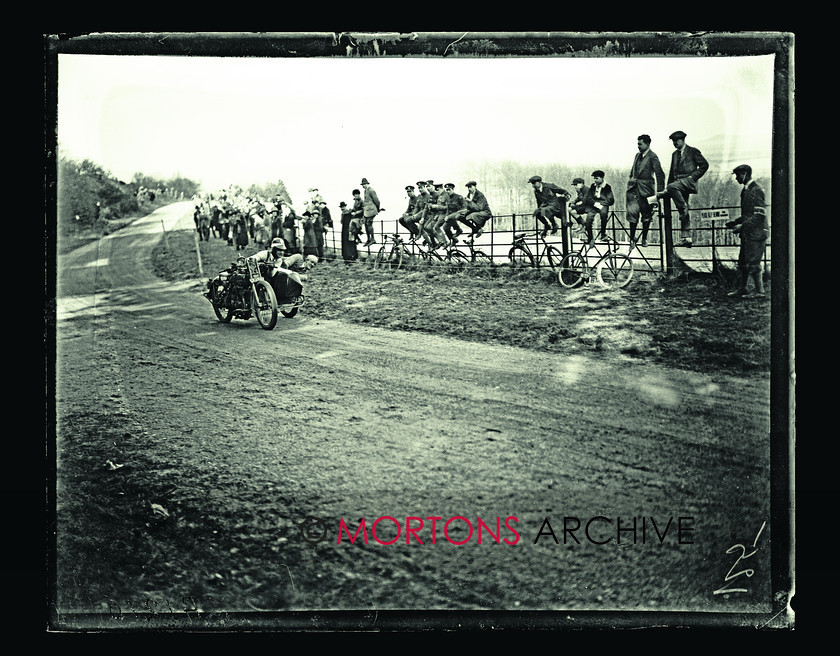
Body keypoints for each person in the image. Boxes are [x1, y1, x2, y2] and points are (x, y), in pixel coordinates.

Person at [656, 130, 709, 248]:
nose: (674, 143)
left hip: (688, 182)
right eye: (673, 141)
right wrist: (668, 187)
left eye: (676, 141)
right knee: (682, 209)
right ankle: (686, 238)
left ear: (683, 140)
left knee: (681, 204)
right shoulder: (674, 154)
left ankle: (683, 207)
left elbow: (704, 165)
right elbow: (671, 172)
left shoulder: (693, 151)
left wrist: (693, 177)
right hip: (677, 185)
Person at [725, 164, 768, 298]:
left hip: (756, 234)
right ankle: (743, 288)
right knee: (743, 262)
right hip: (748, 234)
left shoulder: (756, 190)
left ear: (744, 174)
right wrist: (736, 222)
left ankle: (760, 292)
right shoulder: (746, 190)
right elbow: (748, 214)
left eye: (738, 175)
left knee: (753, 263)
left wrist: (742, 226)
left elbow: (759, 215)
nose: (736, 178)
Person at [626, 134, 666, 247]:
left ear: (647, 144)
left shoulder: (653, 156)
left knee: (646, 215)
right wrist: (631, 180)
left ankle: (644, 238)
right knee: (632, 214)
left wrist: (659, 193)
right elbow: (632, 171)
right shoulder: (637, 156)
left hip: (647, 191)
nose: (638, 146)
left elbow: (660, 174)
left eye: (640, 144)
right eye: (637, 144)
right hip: (633, 190)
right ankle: (632, 239)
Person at [252, 237, 314, 302]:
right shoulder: (265, 254)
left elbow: (272, 274)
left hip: (268, 278)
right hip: (258, 276)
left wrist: (272, 268)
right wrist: (261, 264)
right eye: (279, 250)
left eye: (283, 250)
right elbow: (253, 259)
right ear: (274, 249)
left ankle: (282, 298)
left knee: (282, 275)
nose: (281, 253)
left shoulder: (279, 260)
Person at [583, 170, 616, 244]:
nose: (595, 180)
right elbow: (588, 197)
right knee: (588, 218)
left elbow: (611, 200)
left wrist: (601, 203)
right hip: (593, 205)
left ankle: (603, 234)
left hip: (603, 206)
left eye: (597, 178)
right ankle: (590, 238)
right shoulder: (592, 186)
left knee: (604, 214)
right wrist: (595, 203)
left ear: (602, 178)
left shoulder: (607, 187)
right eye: (594, 178)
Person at [360, 177, 381, 246]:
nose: (363, 186)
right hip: (367, 211)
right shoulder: (365, 191)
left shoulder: (371, 190)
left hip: (372, 210)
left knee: (369, 223)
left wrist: (377, 209)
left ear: (367, 184)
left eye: (364, 184)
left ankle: (373, 239)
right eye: (362, 184)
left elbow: (377, 201)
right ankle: (368, 239)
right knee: (366, 224)